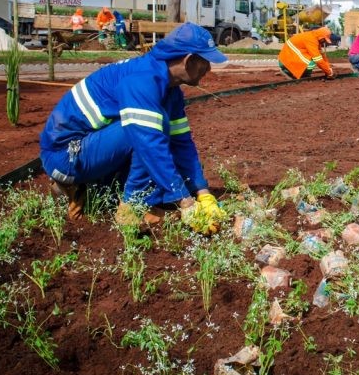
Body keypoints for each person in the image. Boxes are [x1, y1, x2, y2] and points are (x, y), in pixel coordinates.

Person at [40, 22, 228, 232]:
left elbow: (182, 142)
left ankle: (95, 191)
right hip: (65, 156)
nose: (209, 69)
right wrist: (185, 201)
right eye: (205, 62)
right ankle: (133, 208)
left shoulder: (170, 90)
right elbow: (148, 144)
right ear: (188, 60)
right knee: (150, 131)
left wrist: (203, 193)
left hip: (92, 148)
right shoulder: (142, 81)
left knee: (157, 134)